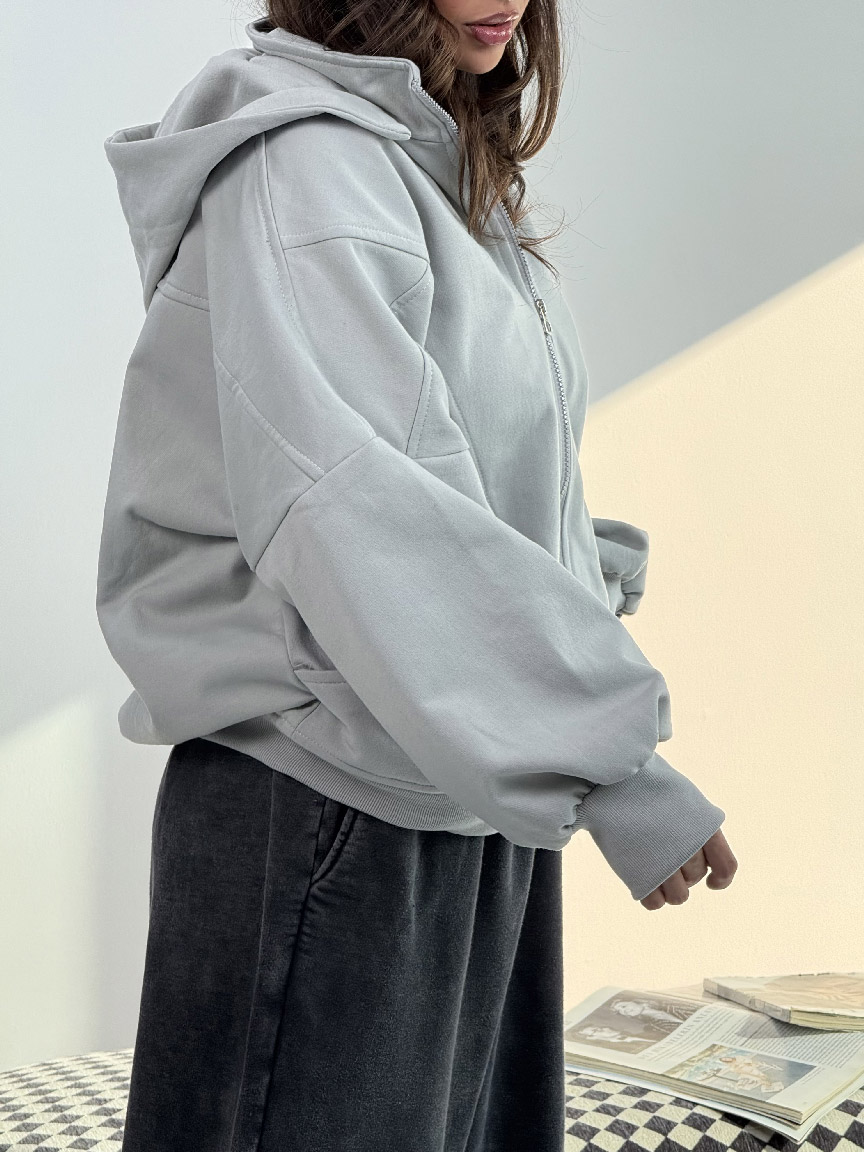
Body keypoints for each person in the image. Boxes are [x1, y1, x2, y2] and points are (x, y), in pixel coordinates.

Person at [97, 2, 738, 1149]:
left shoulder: (437, 166)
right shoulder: (305, 167)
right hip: (329, 797)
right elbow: (357, 506)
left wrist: (578, 583)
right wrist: (608, 756)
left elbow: (467, 464)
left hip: (467, 783)